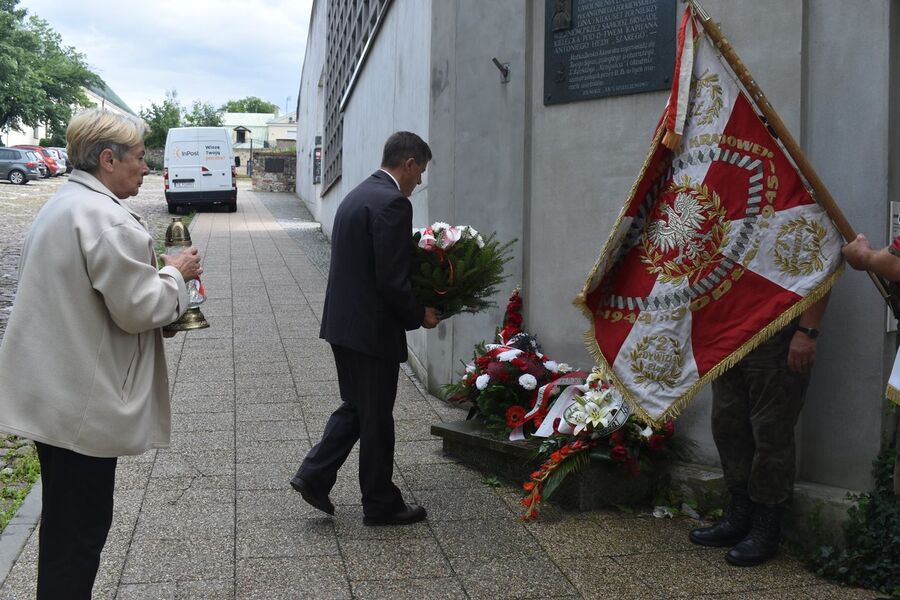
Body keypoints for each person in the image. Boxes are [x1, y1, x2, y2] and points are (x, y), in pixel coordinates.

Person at [0, 108, 202, 598]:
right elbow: (139, 307)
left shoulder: (63, 202)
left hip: (54, 391)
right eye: (139, 157)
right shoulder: (105, 218)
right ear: (108, 160)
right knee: (79, 537)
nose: (147, 168)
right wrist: (176, 273)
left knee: (66, 531)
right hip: (79, 406)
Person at [290, 131, 440, 526]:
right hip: (371, 332)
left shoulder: (358, 193)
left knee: (360, 407)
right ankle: (380, 502)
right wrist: (418, 313)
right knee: (376, 418)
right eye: (420, 172)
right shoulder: (392, 202)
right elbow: (391, 279)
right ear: (408, 164)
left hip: (344, 325)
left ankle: (314, 475)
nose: (419, 181)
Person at [689, 295, 829, 567]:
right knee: (727, 425)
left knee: (771, 432)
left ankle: (767, 525)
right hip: (731, 331)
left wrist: (807, 332)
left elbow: (823, 269)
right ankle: (739, 515)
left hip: (778, 332)